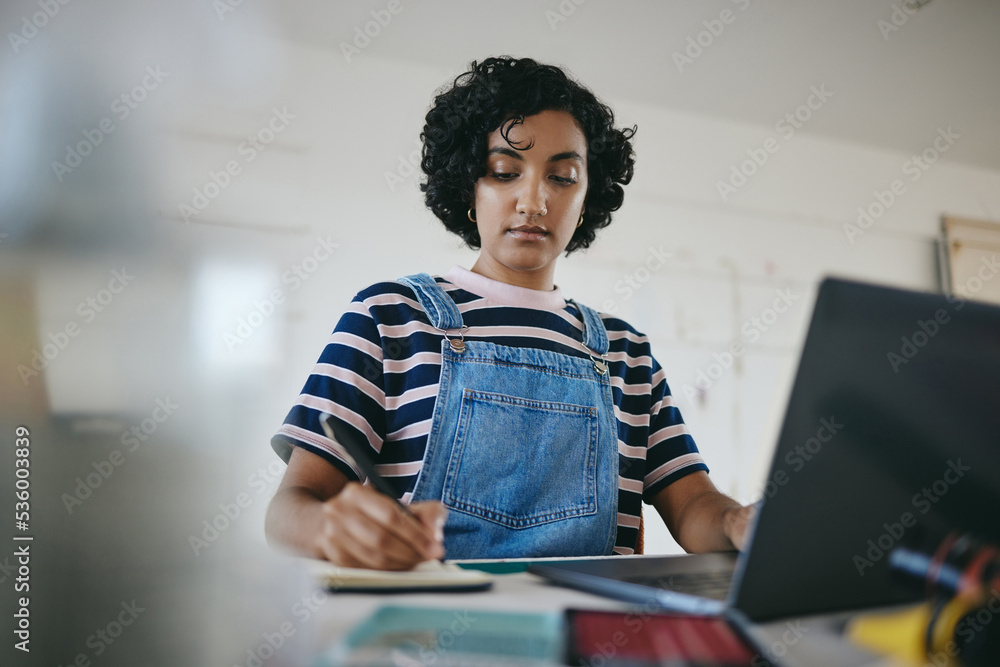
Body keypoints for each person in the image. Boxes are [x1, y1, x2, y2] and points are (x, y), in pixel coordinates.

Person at [265, 56, 754, 571]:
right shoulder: (389, 317)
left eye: (563, 177)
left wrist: (735, 523)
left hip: (588, 640)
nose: (534, 200)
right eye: (504, 172)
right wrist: (329, 528)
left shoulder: (626, 353)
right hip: (426, 637)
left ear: (586, 200)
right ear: (469, 188)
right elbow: (290, 507)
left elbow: (695, 506)